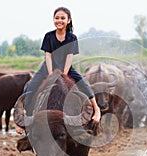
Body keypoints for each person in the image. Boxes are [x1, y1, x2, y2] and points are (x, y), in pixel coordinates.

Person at [16, 6, 100, 134]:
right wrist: (51, 75)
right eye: (56, 18)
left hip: (66, 68)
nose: (59, 20)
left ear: (69, 20)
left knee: (84, 84)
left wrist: (64, 75)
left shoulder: (72, 37)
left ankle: (97, 110)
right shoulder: (49, 36)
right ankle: (22, 121)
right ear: (53, 20)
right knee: (30, 87)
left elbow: (69, 57)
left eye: (62, 18)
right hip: (47, 68)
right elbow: (48, 56)